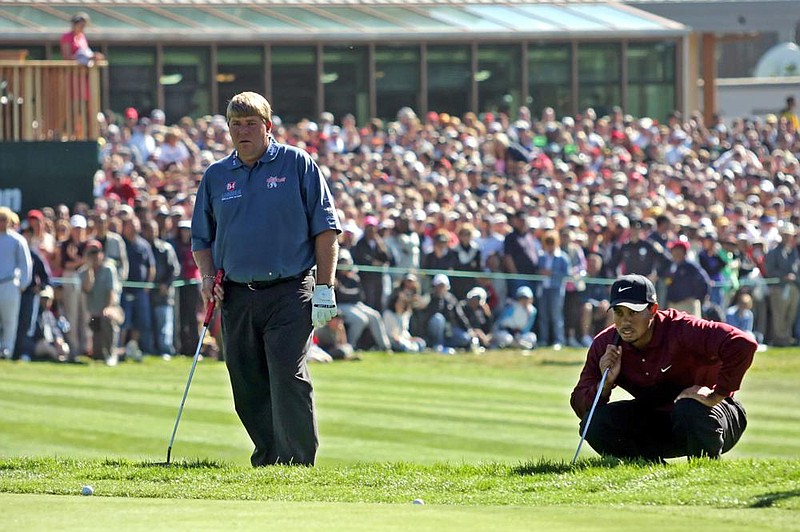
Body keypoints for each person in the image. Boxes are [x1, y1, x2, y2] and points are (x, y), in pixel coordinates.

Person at [191, 91, 340, 467]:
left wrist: (326, 287)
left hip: (291, 290)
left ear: (267, 126)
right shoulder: (216, 176)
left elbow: (326, 229)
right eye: (236, 125)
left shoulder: (297, 165)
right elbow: (201, 239)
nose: (243, 132)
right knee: (245, 379)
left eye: (251, 124)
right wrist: (209, 278)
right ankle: (269, 455)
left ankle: (298, 462)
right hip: (238, 294)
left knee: (287, 374)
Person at [570, 274, 756, 461]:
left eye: (633, 312)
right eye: (619, 312)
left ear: (653, 309)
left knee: (688, 408)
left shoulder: (681, 328)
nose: (625, 322)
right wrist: (605, 384)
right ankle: (650, 470)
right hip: (659, 422)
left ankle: (704, 470)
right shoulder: (606, 344)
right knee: (594, 423)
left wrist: (717, 395)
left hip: (713, 417)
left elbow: (742, 343)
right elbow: (580, 403)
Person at [79, 240, 122, 366]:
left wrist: (108, 308)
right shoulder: (83, 272)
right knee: (97, 355)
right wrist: (89, 269)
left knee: (108, 318)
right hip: (93, 316)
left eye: (96, 252)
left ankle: (112, 353)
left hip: (111, 310)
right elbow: (87, 288)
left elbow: (112, 292)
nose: (94, 256)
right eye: (91, 253)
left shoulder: (109, 269)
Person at [0, 208, 33, 359]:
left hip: (9, 283)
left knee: (9, 320)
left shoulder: (17, 240)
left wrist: (22, 285)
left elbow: (25, 264)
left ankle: (7, 350)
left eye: (3, 219)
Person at [763, 223, 799, 346]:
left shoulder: (793, 251)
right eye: (786, 235)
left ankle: (787, 337)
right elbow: (769, 270)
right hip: (779, 286)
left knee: (791, 313)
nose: (788, 237)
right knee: (779, 314)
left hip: (793, 286)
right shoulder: (773, 252)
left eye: (790, 235)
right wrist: (783, 276)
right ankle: (779, 339)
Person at [492, 285, 538, 350]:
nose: (524, 300)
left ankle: (516, 345)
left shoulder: (532, 311)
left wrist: (518, 334)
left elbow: (527, 328)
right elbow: (501, 322)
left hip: (520, 335)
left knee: (532, 337)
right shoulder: (511, 307)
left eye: (526, 298)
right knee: (507, 339)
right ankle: (517, 345)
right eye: (522, 298)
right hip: (507, 332)